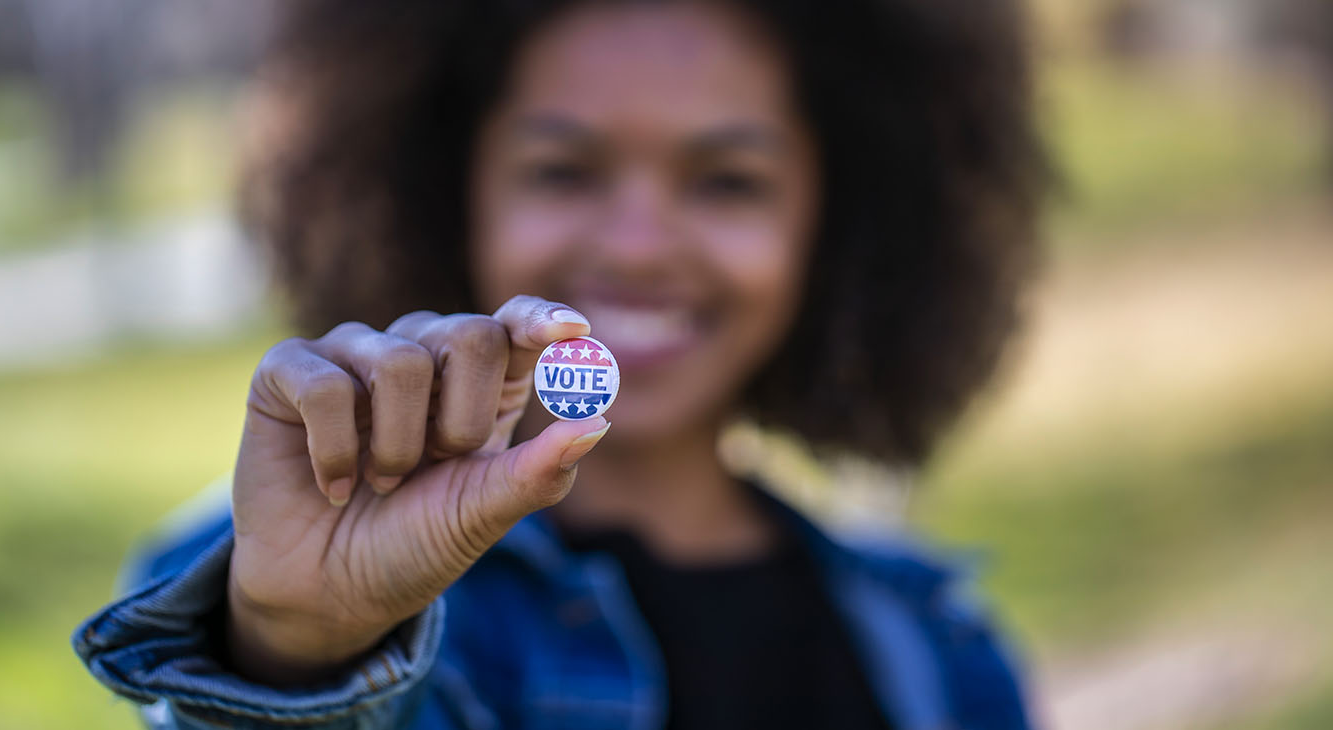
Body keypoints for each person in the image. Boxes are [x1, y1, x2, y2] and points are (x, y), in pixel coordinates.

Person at [74, 0, 1045, 728]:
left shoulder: (943, 652)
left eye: (726, 181)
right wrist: (296, 649)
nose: (635, 246)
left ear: (834, 222)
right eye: (562, 171)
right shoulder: (277, 567)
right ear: (445, 191)